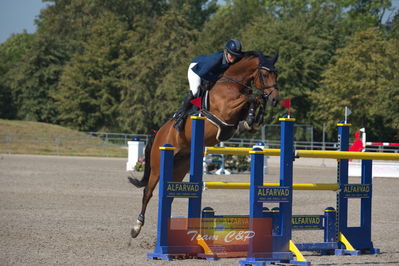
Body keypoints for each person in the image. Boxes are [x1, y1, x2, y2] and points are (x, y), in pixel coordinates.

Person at [173, 39, 244, 131]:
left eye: (235, 56)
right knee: (195, 91)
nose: (233, 58)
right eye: (231, 54)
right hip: (197, 69)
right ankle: (180, 115)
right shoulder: (216, 59)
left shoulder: (232, 60)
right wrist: (216, 78)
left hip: (208, 71)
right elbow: (202, 73)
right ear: (226, 52)